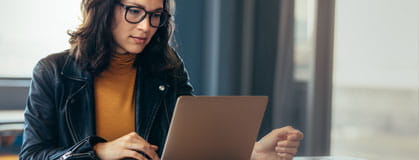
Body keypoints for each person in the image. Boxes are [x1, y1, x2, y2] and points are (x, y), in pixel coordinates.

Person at [19, 0, 304, 159]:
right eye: (134, 11)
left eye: (155, 15)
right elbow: (33, 156)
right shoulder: (53, 72)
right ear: (103, 8)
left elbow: (193, 144)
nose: (146, 26)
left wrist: (251, 153)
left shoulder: (166, 68)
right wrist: (98, 151)